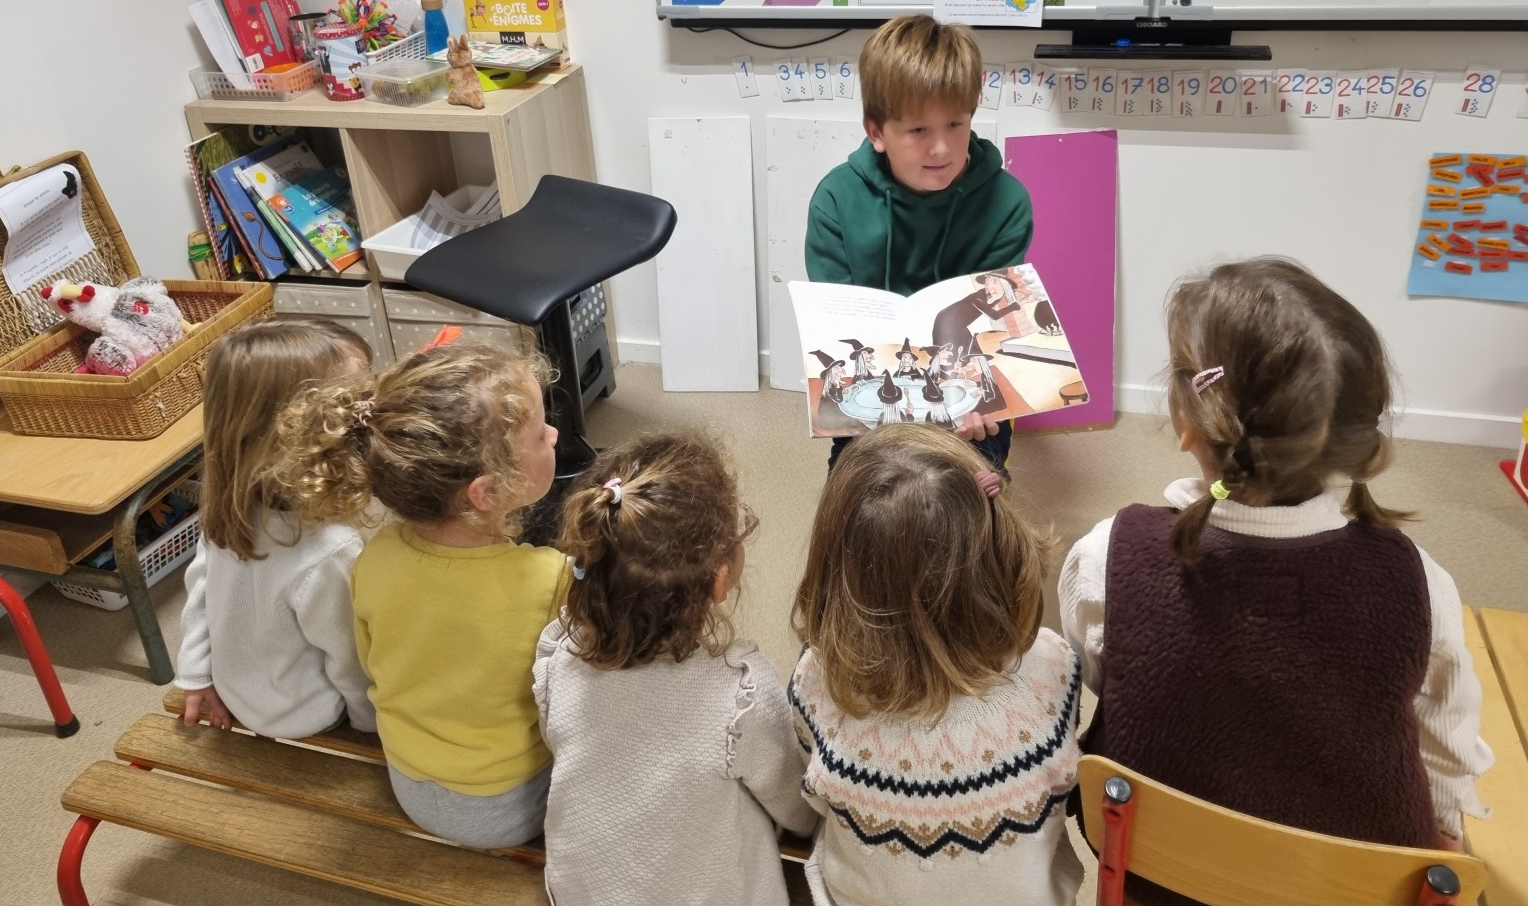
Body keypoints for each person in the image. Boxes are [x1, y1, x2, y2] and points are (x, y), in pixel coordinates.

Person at [1060, 257, 1492, 901]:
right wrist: (1448, 835)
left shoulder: (1104, 558)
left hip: (1158, 873)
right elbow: (1448, 747)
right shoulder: (1421, 583)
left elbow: (1099, 688)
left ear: (1188, 423)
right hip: (1353, 891)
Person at [275, 341, 565, 849]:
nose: (555, 434)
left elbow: (372, 659)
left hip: (409, 780)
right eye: (541, 434)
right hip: (507, 803)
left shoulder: (376, 555)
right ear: (487, 492)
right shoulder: (549, 578)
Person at [790, 424, 1082, 906]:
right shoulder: (1055, 665)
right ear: (1002, 546)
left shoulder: (817, 679)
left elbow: (809, 794)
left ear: (837, 568)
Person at [533, 433, 816, 906]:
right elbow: (797, 811)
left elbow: (557, 739)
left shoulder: (560, 657)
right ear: (720, 581)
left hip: (581, 893)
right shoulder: (740, 695)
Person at [805, 14, 1032, 475]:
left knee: (971, 490)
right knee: (864, 496)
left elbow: (992, 320)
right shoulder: (835, 199)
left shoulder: (1007, 201)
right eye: (918, 131)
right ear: (876, 132)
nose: (942, 148)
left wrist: (968, 396)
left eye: (955, 124)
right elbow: (839, 326)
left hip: (964, 380)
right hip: (875, 381)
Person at [174, 318, 376, 739]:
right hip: (307, 713)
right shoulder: (331, 547)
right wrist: (368, 728)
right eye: (355, 402)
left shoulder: (229, 501)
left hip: (239, 690)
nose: (369, 413)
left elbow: (200, 589)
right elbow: (350, 658)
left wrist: (194, 672)